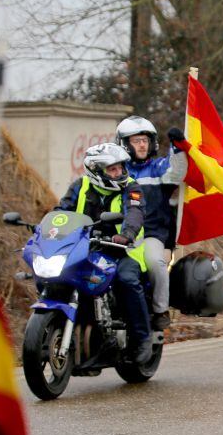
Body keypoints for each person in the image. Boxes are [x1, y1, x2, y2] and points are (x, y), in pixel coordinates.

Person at [58, 143, 152, 363]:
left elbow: (135, 212)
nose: (119, 172)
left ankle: (142, 338)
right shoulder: (80, 187)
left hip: (124, 251)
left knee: (126, 280)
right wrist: (51, 229)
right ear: (96, 171)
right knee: (59, 277)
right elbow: (62, 211)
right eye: (112, 169)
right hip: (86, 249)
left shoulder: (132, 188)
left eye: (120, 167)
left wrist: (127, 234)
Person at [116, 116, 188, 334]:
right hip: (118, 235)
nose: (142, 144)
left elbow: (177, 171)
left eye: (145, 140)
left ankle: (160, 311)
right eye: (136, 140)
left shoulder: (158, 168)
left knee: (156, 263)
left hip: (151, 235)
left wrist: (178, 147)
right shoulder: (116, 171)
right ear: (124, 144)